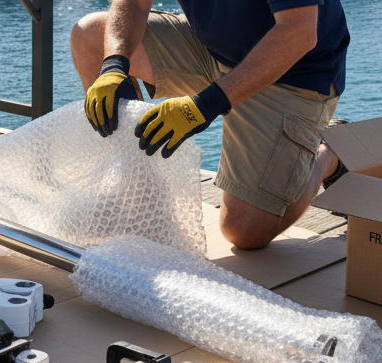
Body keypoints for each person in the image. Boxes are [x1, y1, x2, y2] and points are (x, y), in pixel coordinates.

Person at [71, 0, 350, 250]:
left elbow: (299, 31)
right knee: (91, 36)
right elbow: (134, 3)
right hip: (210, 49)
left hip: (294, 74)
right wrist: (114, 65)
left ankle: (329, 151)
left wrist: (206, 105)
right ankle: (144, 194)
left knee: (244, 231)